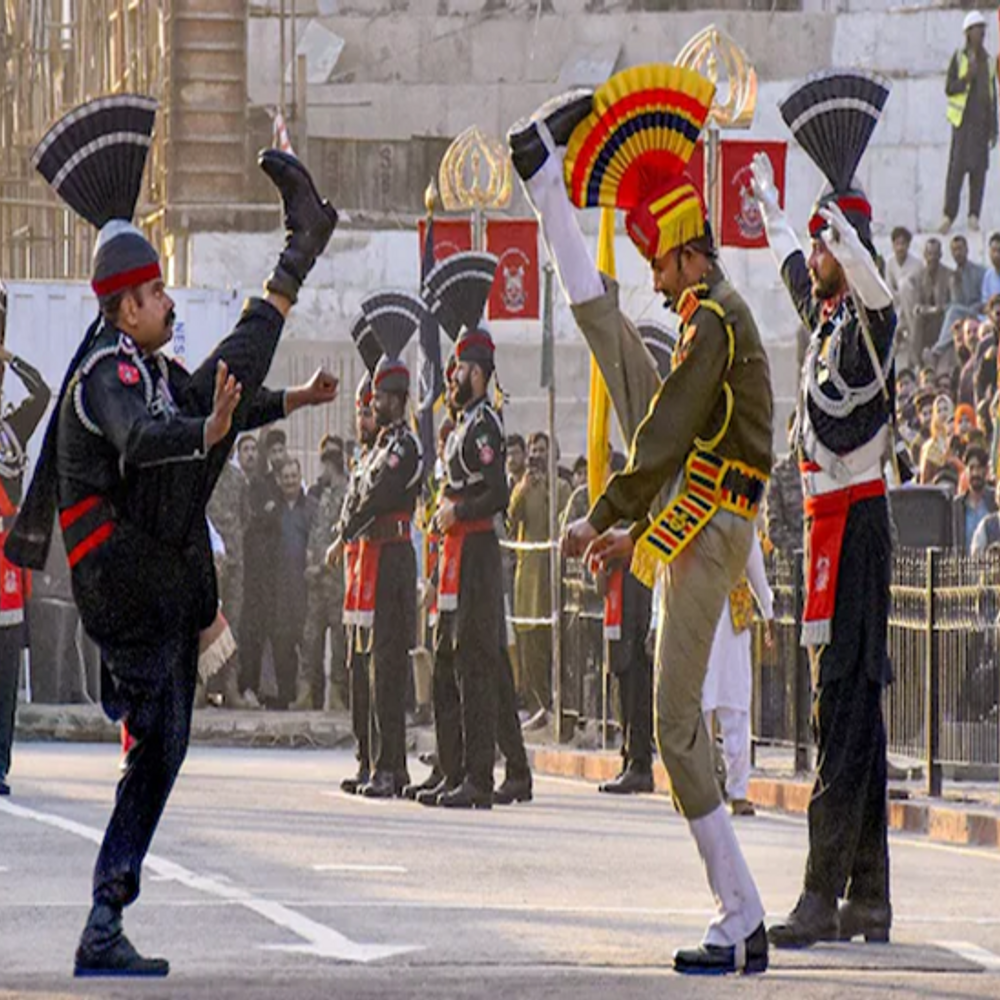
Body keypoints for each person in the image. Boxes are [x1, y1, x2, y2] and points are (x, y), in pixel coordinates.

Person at [6, 95, 338, 976]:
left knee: (166, 742)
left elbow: (203, 410)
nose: (168, 301)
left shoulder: (144, 367)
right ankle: (299, 251)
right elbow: (147, 440)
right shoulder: (105, 374)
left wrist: (286, 402)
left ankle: (103, 920)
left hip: (148, 566)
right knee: (204, 410)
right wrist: (208, 430)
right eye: (154, 294)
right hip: (121, 570)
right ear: (124, 309)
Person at [511, 65, 773, 973]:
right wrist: (629, 532)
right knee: (611, 342)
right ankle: (545, 185)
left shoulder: (716, 322)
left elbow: (663, 439)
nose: (657, 284)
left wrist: (602, 515)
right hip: (695, 518)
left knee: (673, 726)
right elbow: (677, 451)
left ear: (688, 253)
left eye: (659, 264)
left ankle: (740, 917)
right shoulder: (709, 315)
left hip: (713, 529)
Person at [752, 67, 896, 949]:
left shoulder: (873, 317)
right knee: (853, 713)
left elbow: (878, 292)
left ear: (849, 247)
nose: (813, 256)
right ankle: (868, 895)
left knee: (838, 711)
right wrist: (776, 212)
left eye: (825, 244)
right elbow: (792, 277)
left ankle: (819, 891)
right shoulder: (832, 318)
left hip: (860, 529)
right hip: (827, 530)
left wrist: (846, 233)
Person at [327, 291, 423, 798]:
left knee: (387, 667)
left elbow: (376, 495)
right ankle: (369, 761)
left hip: (392, 561)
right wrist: (348, 522)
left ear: (398, 398)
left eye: (381, 398)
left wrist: (351, 518)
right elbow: (355, 499)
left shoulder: (405, 446)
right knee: (363, 665)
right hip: (368, 559)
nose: (373, 406)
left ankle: (392, 765)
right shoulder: (377, 448)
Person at [426, 323, 510, 808]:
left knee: (475, 663)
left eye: (459, 368)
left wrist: (459, 512)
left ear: (476, 373)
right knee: (446, 663)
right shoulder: (462, 423)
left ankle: (479, 777)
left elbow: (497, 492)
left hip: (477, 553)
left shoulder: (484, 427)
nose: (453, 376)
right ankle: (452, 767)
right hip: (454, 553)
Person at [0, 285, 51, 797]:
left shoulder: (12, 426)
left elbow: (42, 392)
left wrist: (8, 356)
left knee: (4, 679)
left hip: (6, 572)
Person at [702, 533, 774, 818]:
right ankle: (700, 789)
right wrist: (659, 619)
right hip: (696, 622)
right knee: (699, 709)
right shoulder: (688, 515)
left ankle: (738, 792)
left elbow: (754, 563)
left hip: (733, 619)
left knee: (736, 707)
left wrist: (768, 610)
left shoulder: (740, 519)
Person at [332, 368, 379, 793]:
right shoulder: (360, 460)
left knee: (375, 669)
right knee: (356, 669)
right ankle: (363, 757)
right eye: (359, 413)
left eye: (368, 412)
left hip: (377, 568)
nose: (363, 420)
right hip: (356, 571)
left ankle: (379, 760)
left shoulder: (385, 456)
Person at [508, 430, 570, 726]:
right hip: (528, 577)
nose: (537, 456)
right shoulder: (522, 487)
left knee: (552, 643)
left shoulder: (561, 488)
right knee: (529, 642)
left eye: (543, 450)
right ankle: (537, 707)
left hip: (552, 576)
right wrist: (523, 489)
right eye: (534, 451)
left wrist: (545, 488)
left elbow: (563, 522)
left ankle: (556, 706)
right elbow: (511, 521)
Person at [297, 434, 348, 710]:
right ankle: (305, 693)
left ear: (332, 466)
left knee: (339, 639)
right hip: (316, 582)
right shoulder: (324, 494)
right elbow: (317, 530)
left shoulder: (347, 495)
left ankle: (337, 694)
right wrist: (309, 557)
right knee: (310, 637)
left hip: (336, 581)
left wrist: (322, 566)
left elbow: (345, 537)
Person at [941, 10, 998, 235]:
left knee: (979, 171)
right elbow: (949, 88)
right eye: (976, 29)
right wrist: (966, 78)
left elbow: (992, 96)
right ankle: (948, 215)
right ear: (968, 33)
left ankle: (974, 216)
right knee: (956, 171)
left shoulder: (989, 62)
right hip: (962, 125)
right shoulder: (959, 58)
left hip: (981, 125)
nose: (981, 33)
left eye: (982, 29)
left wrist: (994, 128)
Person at [271, 457, 312, 709]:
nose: (290, 481)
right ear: (279, 480)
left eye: (294, 476)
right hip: (278, 587)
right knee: (282, 642)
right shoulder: (273, 509)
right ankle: (285, 696)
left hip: (305, 586)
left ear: (300, 478)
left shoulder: (311, 508)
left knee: (307, 642)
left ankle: (310, 697)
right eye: (286, 477)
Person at [953, 444, 995, 552]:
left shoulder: (995, 501)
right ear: (965, 471)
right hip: (963, 562)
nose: (975, 473)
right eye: (971, 468)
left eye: (979, 468)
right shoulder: (957, 505)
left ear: (986, 470)